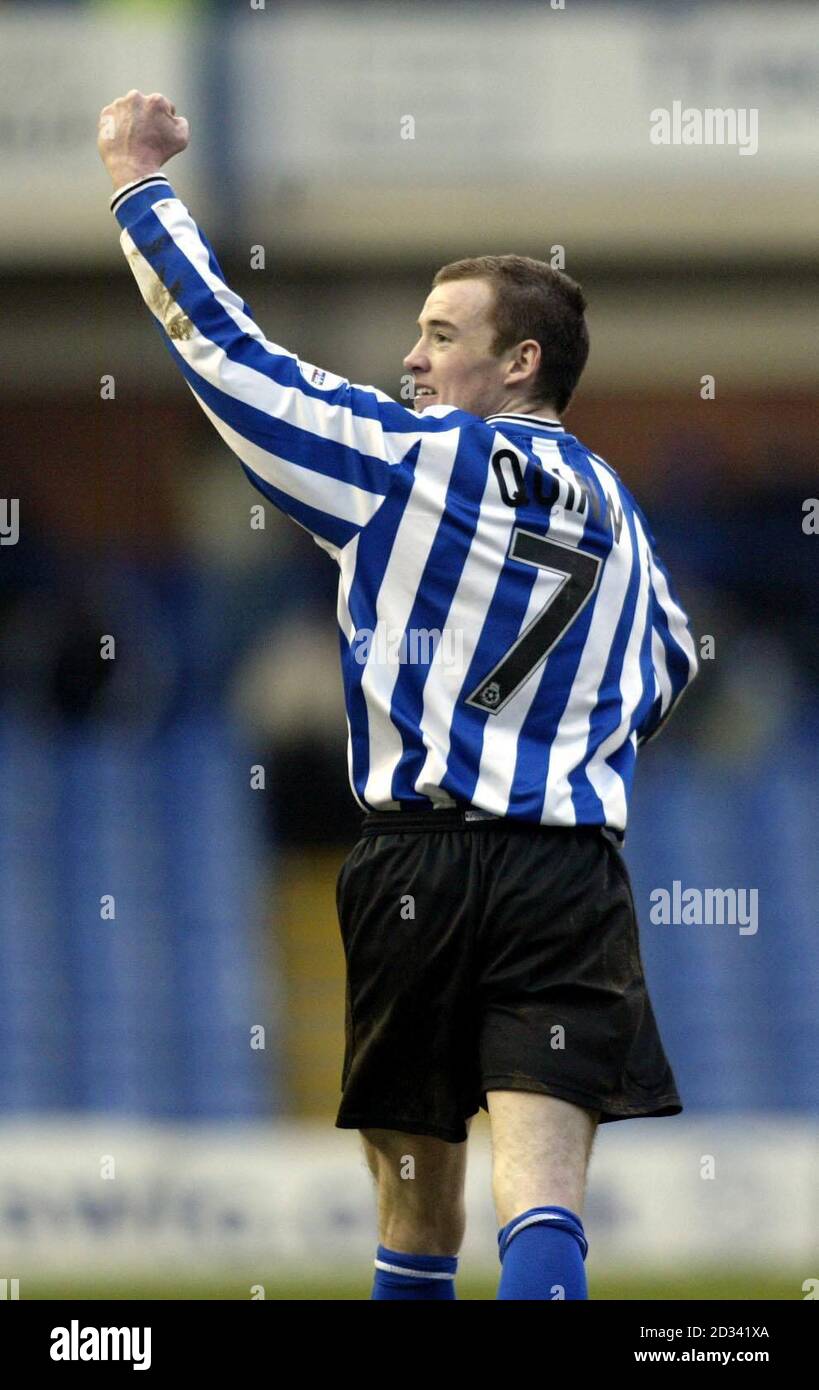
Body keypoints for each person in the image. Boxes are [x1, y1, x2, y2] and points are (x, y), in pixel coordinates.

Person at [97, 90, 698, 1300]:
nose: (411, 359)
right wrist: (555, 734)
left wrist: (135, 184)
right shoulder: (620, 511)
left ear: (518, 360)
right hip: (570, 872)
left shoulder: (406, 460)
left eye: (438, 334)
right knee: (544, 1205)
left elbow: (225, 348)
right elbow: (673, 658)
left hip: (420, 861)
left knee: (417, 1215)